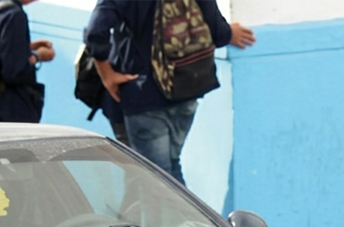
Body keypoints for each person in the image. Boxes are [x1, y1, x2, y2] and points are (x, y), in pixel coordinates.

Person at [84, 0, 255, 184]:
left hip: (143, 97)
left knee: (156, 180)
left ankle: (183, 214)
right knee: (170, 169)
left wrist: (107, 75)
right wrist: (230, 32)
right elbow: (218, 33)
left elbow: (95, 32)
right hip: (187, 89)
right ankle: (184, 213)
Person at [0, 0, 54, 123]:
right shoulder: (14, 15)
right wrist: (38, 56)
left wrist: (26, 46)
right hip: (6, 109)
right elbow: (12, 71)